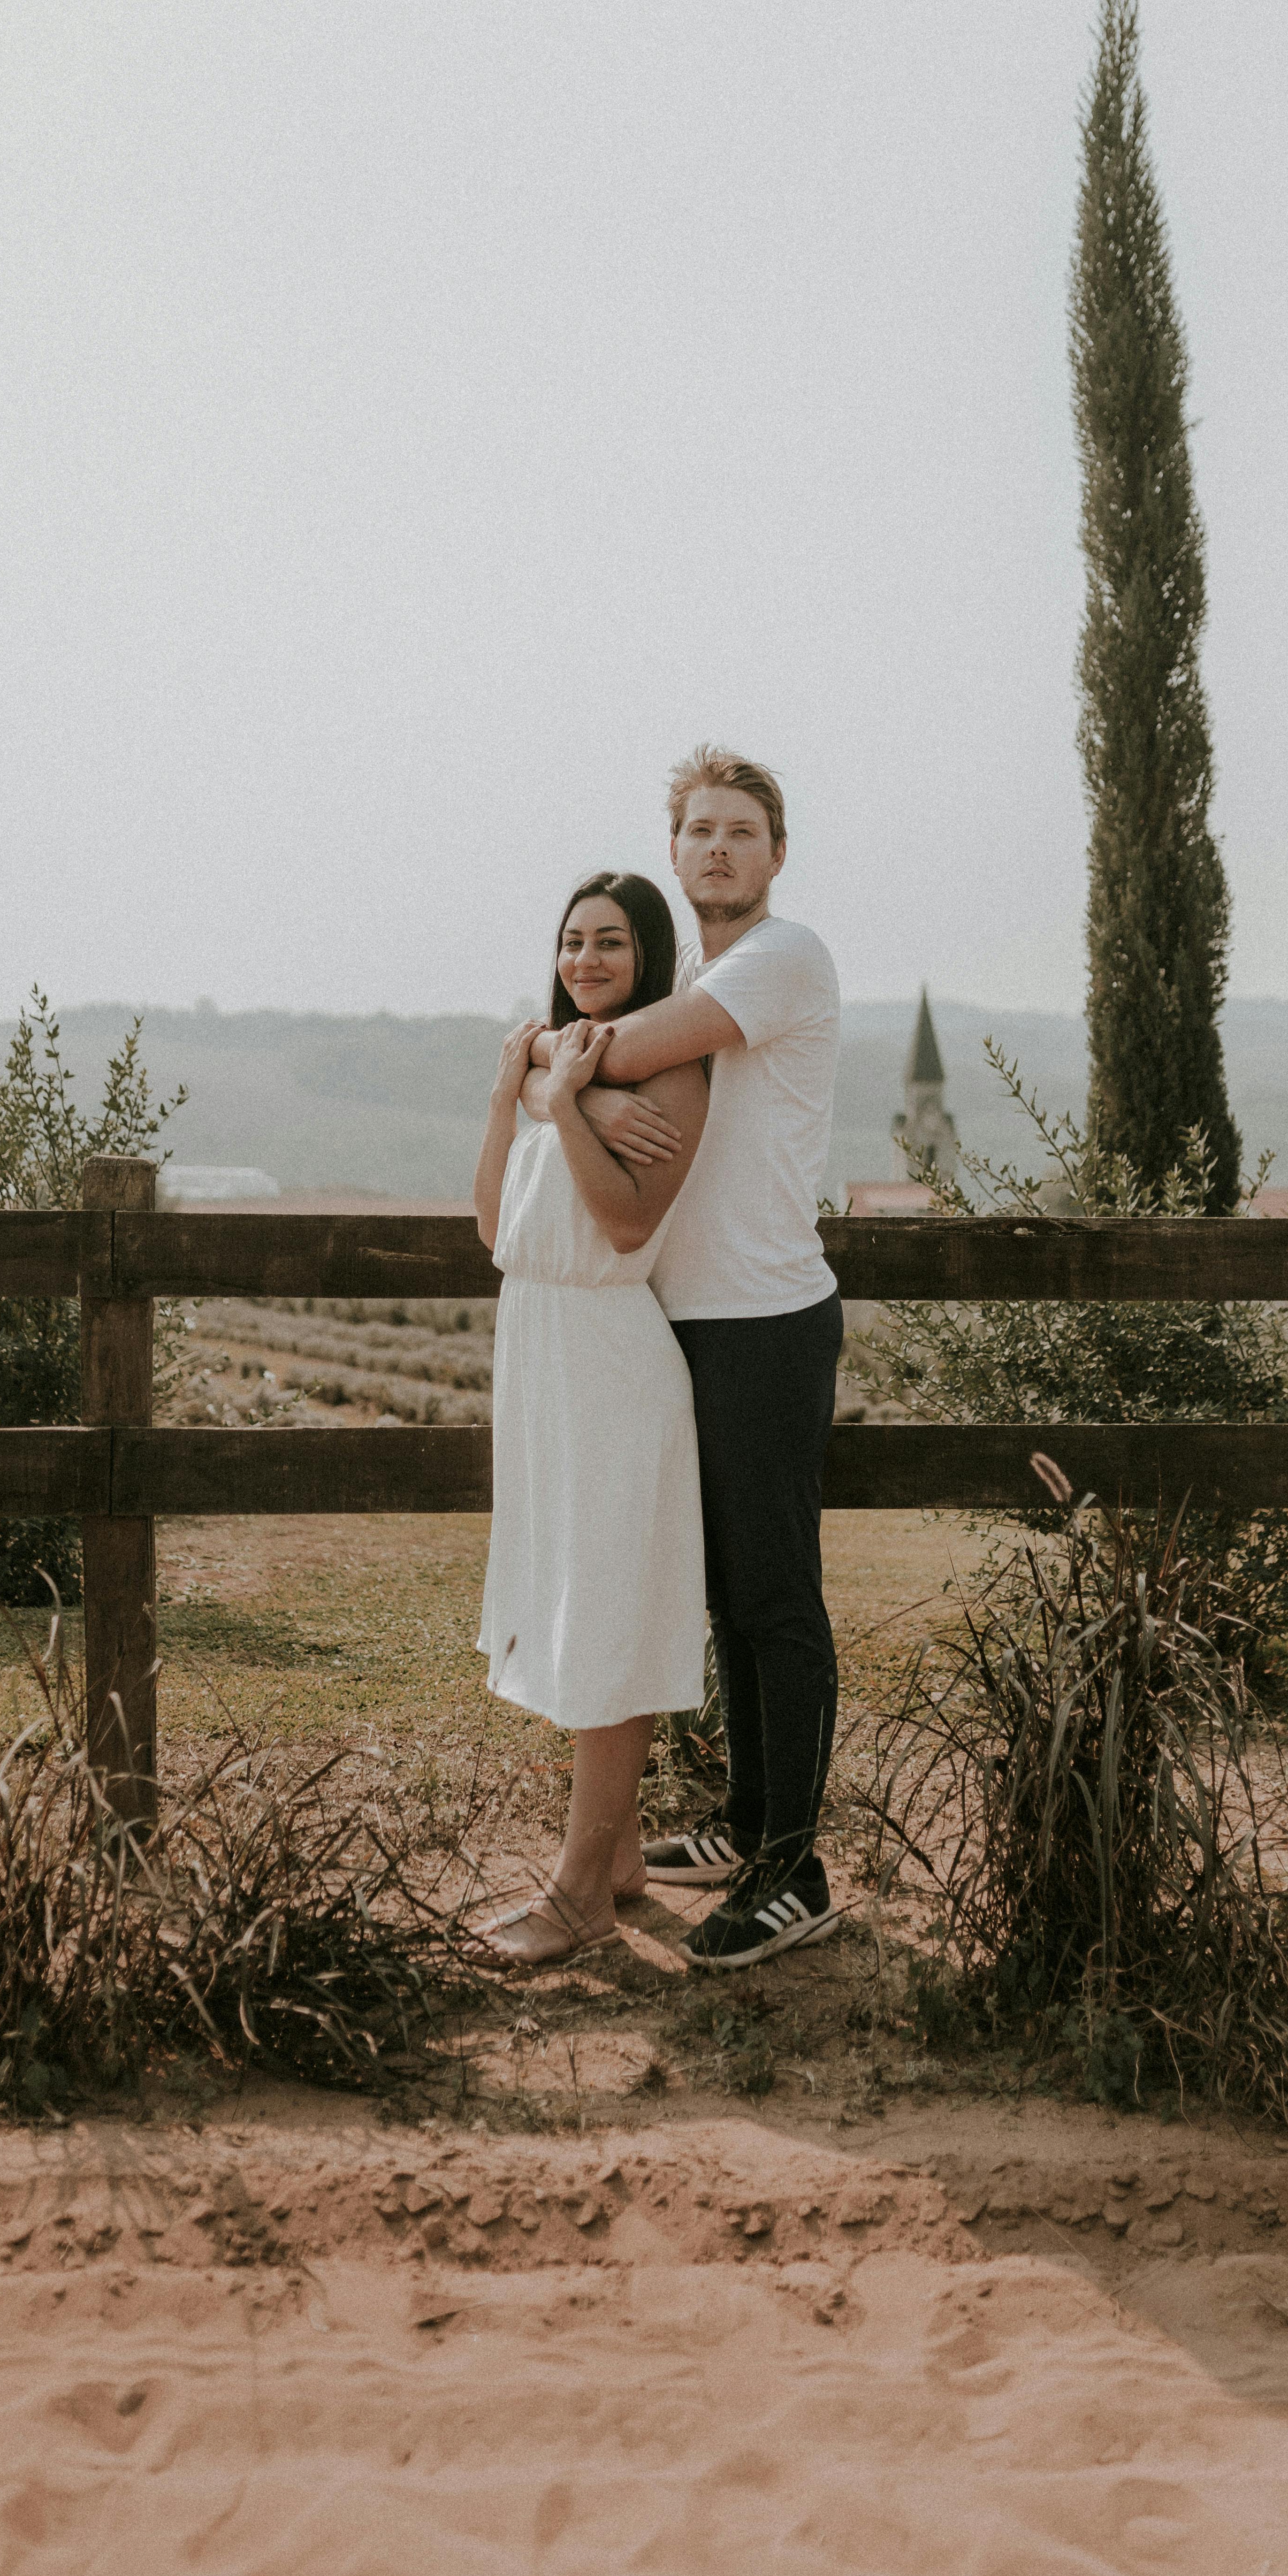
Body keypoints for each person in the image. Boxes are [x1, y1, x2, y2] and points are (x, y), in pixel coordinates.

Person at [519, 745, 844, 1969]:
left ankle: (795, 1871)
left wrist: (566, 1078)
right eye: (699, 831)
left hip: (767, 1323)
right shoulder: (694, 979)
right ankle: (751, 1824)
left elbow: (608, 1044)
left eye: (742, 832)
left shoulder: (780, 959)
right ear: (675, 854)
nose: (718, 848)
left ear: (774, 856)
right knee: (720, 1600)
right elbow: (602, 1046)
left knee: (776, 1600)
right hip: (682, 1330)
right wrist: (580, 1079)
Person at [471, 871, 711, 1967]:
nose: (587, 961)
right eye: (572, 942)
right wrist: (514, 1090)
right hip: (543, 1361)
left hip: (611, 1364)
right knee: (576, 1606)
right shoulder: (553, 1063)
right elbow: (491, 1224)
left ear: (649, 957)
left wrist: (565, 1100)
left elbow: (622, 1226)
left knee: (610, 1615)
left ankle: (578, 1899)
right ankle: (613, 1861)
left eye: (611, 943)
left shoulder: (673, 1071)